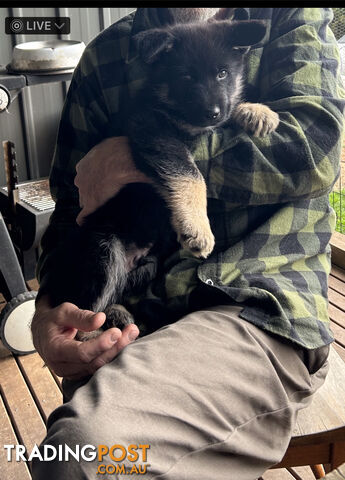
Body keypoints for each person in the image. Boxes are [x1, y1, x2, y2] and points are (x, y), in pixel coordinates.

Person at [31, 7, 345, 480]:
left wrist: (136, 161)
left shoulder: (288, 20)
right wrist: (46, 311)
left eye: (222, 76)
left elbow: (315, 150)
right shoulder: (110, 54)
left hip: (253, 302)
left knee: (83, 455)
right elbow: (69, 206)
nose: (210, 98)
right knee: (77, 454)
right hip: (133, 305)